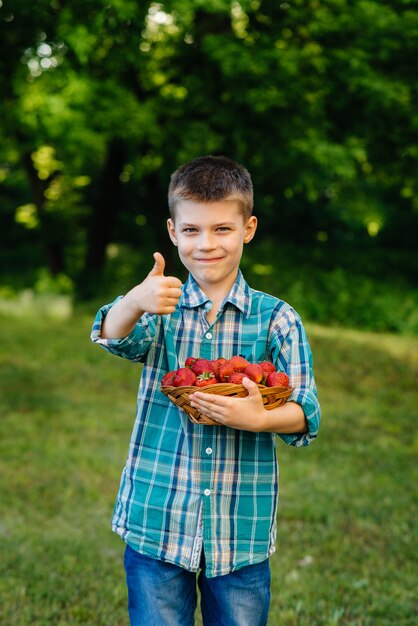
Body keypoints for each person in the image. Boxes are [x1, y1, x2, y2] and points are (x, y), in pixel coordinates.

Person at [91, 155, 320, 626]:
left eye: (222, 230)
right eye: (192, 231)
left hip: (239, 533)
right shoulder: (160, 305)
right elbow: (114, 336)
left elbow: (306, 411)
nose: (207, 245)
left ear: (248, 228)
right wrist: (134, 300)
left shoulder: (277, 318)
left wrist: (260, 419)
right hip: (158, 519)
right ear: (173, 233)